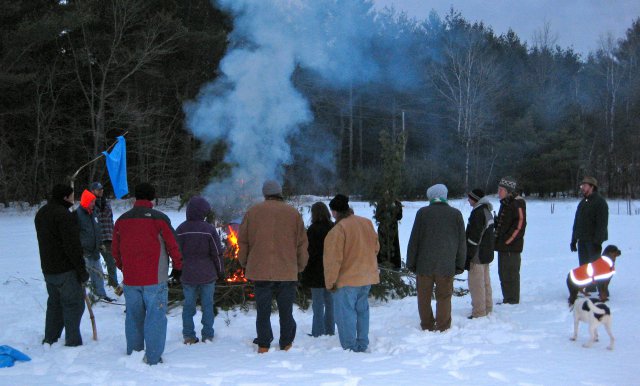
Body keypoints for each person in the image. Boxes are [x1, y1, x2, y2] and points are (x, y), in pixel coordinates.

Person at [112, 183, 182, 365]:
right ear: (152, 198)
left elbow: (115, 251)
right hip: (155, 279)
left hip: (131, 279)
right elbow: (173, 245)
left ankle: (134, 353)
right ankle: (152, 358)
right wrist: (178, 267)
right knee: (155, 317)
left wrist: (124, 268)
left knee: (133, 317)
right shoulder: (159, 219)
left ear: (136, 197)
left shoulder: (122, 220)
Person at [238, 180, 308, 354]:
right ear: (280, 193)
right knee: (286, 311)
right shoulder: (293, 214)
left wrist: (245, 262)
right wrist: (300, 265)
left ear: (265, 193)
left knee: (263, 310)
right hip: (287, 270)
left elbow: (243, 241)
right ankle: (286, 343)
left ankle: (263, 344)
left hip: (261, 270)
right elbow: (301, 243)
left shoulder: (252, 212)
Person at [323, 194, 379, 352]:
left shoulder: (339, 229)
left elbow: (333, 260)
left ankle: (349, 347)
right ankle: (362, 343)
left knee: (345, 314)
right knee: (362, 311)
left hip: (347, 279)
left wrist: (330, 282)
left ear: (335, 212)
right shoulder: (366, 223)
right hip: (367, 276)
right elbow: (376, 248)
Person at [407, 184, 466, 332]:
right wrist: (460, 264)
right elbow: (461, 242)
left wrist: (411, 263)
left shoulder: (422, 213)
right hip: (446, 265)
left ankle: (427, 325)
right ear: (444, 196)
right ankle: (443, 326)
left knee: (423, 297)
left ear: (431, 197)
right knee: (444, 297)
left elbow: (414, 240)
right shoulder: (456, 214)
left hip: (424, 265)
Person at [34, 184, 88, 346]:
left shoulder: (42, 213)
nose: (73, 198)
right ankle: (73, 341)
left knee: (54, 304)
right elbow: (72, 246)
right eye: (72, 196)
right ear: (65, 197)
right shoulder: (64, 215)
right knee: (73, 304)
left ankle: (50, 338)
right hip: (66, 269)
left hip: (48, 268)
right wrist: (81, 270)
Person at [176, 196, 224, 345]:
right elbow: (216, 253)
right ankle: (208, 335)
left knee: (188, 305)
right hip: (207, 275)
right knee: (207, 305)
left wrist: (177, 270)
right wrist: (220, 270)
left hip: (188, 275)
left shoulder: (181, 229)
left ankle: (188, 335)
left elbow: (176, 253)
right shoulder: (209, 229)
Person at [301, 202, 335, 337]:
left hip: (315, 271)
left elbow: (308, 251)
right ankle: (330, 330)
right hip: (330, 269)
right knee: (330, 302)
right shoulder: (333, 228)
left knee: (318, 303)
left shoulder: (312, 229)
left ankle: (317, 332)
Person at [570, 176, 608, 292]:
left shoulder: (600, 202)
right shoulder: (583, 203)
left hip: (593, 242)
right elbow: (577, 222)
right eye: (582, 186)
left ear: (592, 187)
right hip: (582, 240)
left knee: (597, 268)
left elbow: (602, 224)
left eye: (585, 186)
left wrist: (598, 242)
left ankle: (602, 290)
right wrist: (574, 240)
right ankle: (588, 287)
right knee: (584, 266)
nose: (582, 188)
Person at [494, 176, 527, 305]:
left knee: (511, 274)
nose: (499, 192)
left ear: (508, 191)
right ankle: (507, 298)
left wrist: (507, 241)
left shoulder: (518, 203)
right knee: (503, 273)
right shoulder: (506, 203)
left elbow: (519, 226)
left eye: (501, 190)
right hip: (503, 246)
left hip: (511, 247)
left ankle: (512, 300)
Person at [76, 189, 112, 302]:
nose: (94, 203)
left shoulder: (94, 213)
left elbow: (97, 230)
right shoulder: (78, 215)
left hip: (95, 250)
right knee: (85, 275)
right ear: (86, 201)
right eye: (92, 201)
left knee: (99, 274)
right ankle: (83, 297)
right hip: (85, 252)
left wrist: (100, 243)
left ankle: (101, 294)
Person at [465, 189, 495, 319]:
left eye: (470, 198)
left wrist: (468, 254)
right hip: (486, 253)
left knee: (476, 284)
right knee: (485, 281)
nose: (468, 200)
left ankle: (479, 312)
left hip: (477, 253)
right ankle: (487, 307)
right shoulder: (486, 210)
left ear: (475, 199)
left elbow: (474, 237)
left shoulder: (478, 213)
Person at [89, 182, 121, 293]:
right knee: (94, 264)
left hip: (108, 236)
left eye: (102, 189)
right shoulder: (89, 204)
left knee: (111, 261)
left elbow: (110, 219)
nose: (101, 191)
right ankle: (96, 287)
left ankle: (113, 283)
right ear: (92, 191)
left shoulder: (107, 203)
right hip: (95, 238)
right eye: (98, 189)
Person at [375, 197, 403, 270]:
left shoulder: (396, 203)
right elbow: (378, 216)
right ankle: (382, 265)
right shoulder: (382, 203)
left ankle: (393, 267)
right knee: (382, 246)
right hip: (384, 228)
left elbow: (399, 216)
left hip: (391, 228)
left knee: (393, 246)